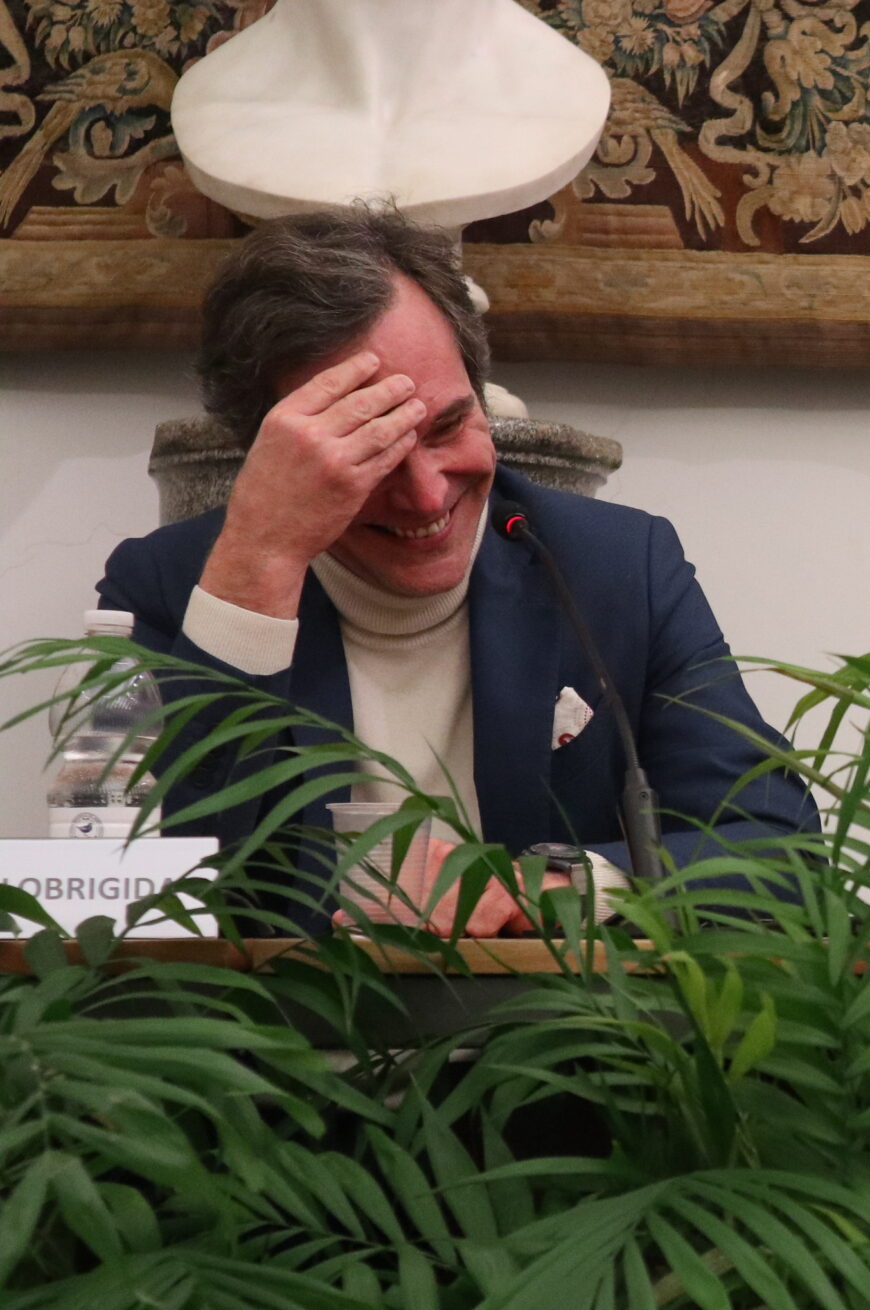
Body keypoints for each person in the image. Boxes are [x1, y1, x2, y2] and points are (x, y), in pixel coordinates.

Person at [98, 203, 813, 935]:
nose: (428, 494)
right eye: (368, 453)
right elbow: (144, 897)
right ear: (274, 451)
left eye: (448, 426)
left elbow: (781, 861)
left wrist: (547, 886)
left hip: (549, 1043)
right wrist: (261, 563)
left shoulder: (616, 570)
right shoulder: (168, 588)